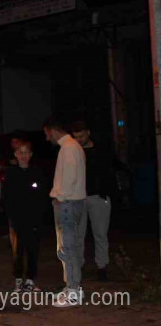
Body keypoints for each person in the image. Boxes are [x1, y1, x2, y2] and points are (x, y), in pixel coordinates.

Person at [44, 117, 86, 308]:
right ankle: (73, 287)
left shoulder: (68, 147)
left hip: (67, 203)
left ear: (52, 131)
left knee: (67, 248)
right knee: (70, 248)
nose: (47, 138)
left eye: (47, 134)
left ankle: (73, 291)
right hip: (72, 202)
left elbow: (69, 177)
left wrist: (59, 197)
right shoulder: (72, 146)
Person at [71, 121, 115, 282]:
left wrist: (107, 192)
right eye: (76, 137)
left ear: (88, 132)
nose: (79, 139)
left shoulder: (101, 149)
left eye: (81, 135)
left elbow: (110, 168)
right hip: (79, 196)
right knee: (78, 234)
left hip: (98, 196)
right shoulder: (73, 151)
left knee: (100, 233)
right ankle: (79, 265)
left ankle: (102, 266)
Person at [3, 142, 47, 292]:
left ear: (31, 155)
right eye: (20, 152)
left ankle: (30, 279)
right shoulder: (11, 173)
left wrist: (40, 214)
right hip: (17, 218)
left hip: (34, 218)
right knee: (18, 249)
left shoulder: (37, 172)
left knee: (33, 248)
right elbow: (6, 197)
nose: (23, 155)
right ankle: (18, 279)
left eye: (26, 152)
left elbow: (42, 195)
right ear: (15, 154)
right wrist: (11, 217)